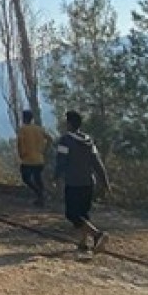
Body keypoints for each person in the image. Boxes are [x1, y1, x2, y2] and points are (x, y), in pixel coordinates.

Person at [54, 109, 111, 254]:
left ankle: (98, 235)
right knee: (83, 213)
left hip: (73, 182)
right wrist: (105, 181)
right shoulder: (89, 141)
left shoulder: (65, 141)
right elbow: (97, 163)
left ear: (69, 123)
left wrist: (55, 178)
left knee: (72, 214)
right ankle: (83, 243)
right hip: (88, 182)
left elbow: (61, 162)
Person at [15, 109, 54, 207]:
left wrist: (21, 154)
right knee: (38, 178)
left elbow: (20, 143)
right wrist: (45, 150)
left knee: (26, 178)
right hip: (39, 159)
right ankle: (41, 198)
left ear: (24, 118)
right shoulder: (39, 129)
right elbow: (50, 139)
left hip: (27, 160)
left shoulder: (23, 129)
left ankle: (40, 194)